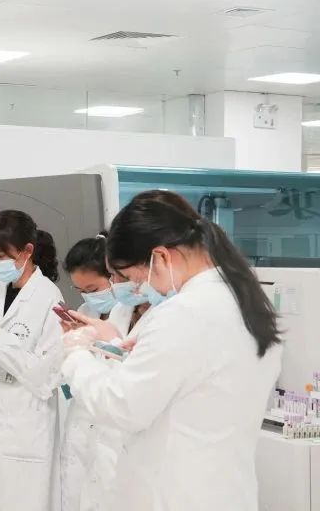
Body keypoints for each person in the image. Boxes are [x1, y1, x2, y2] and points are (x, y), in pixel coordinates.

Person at [61, 191, 283, 511]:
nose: (141, 290)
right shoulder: (245, 301)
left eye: (135, 279)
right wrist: (131, 353)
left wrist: (77, 355)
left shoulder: (184, 313)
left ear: (161, 257)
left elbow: (122, 407)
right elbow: (200, 382)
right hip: (224, 491)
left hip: (174, 495)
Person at [0, 210, 63, 511]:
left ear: (27, 251)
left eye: (2, 256)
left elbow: (46, 377)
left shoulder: (49, 298)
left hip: (22, 426)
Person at [58, 234, 151, 511]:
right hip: (87, 432)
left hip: (120, 441)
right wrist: (77, 347)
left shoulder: (151, 318)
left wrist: (99, 346)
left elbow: (129, 380)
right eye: (81, 290)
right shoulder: (105, 311)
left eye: (94, 288)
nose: (89, 297)